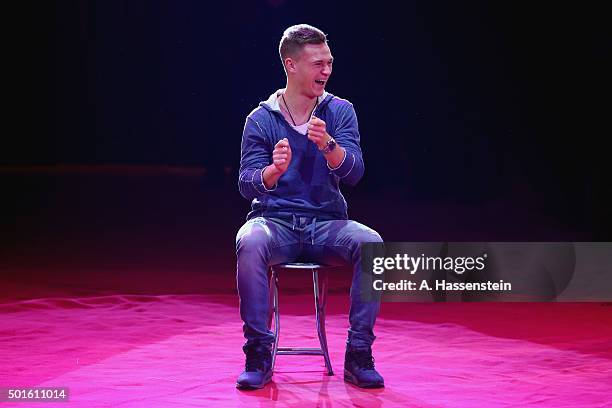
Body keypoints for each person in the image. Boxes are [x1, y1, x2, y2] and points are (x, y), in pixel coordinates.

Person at [235, 24, 384, 390]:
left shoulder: (340, 112)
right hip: (276, 222)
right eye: (317, 63)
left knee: (373, 245)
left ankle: (359, 353)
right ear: (291, 65)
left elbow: (355, 173)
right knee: (249, 242)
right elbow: (245, 183)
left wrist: (329, 146)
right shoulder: (260, 119)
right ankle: (257, 352)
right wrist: (273, 172)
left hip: (326, 224)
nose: (326, 71)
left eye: (329, 62)